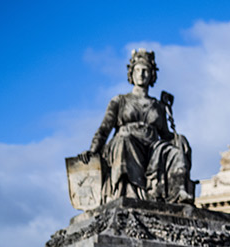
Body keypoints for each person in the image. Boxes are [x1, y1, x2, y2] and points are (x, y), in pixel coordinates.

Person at [79, 49, 192, 204]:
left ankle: (178, 192)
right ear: (131, 74)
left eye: (145, 70)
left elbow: (165, 134)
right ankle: (129, 193)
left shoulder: (158, 106)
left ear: (152, 75)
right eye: (137, 70)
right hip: (126, 143)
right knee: (125, 140)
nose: (141, 74)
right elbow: (104, 130)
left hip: (152, 148)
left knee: (175, 150)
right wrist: (93, 151)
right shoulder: (119, 101)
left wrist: (179, 139)